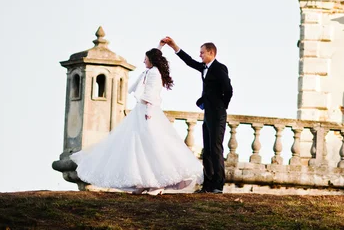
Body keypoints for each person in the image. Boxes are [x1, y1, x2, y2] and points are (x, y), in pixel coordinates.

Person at [70, 45, 203, 195]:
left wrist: (149, 113)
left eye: (146, 58)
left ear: (151, 60)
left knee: (151, 145)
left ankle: (157, 183)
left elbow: (151, 94)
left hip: (147, 111)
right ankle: (143, 182)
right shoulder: (151, 71)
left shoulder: (153, 73)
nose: (143, 61)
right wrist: (159, 45)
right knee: (138, 146)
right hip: (141, 110)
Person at [161, 37, 233, 194]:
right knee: (206, 150)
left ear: (211, 52)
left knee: (215, 149)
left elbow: (228, 89)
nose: (199, 55)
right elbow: (189, 61)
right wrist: (174, 46)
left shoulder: (220, 68)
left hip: (218, 114)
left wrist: (221, 107)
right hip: (208, 114)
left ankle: (218, 186)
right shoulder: (204, 67)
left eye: (202, 52)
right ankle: (207, 185)